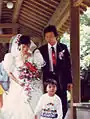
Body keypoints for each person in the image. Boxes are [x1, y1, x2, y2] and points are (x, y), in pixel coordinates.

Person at [0, 35, 44, 119]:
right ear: (19, 46)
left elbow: (37, 72)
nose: (25, 49)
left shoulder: (33, 56)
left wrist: (27, 63)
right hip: (18, 86)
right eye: (23, 46)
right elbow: (10, 73)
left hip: (31, 85)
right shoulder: (13, 58)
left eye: (27, 46)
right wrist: (19, 82)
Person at [39, 25, 72, 118]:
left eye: (51, 36)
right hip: (48, 78)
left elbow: (68, 66)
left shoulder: (63, 48)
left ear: (56, 36)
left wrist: (70, 81)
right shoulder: (41, 50)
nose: (49, 38)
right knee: (49, 102)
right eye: (47, 37)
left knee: (63, 101)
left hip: (61, 78)